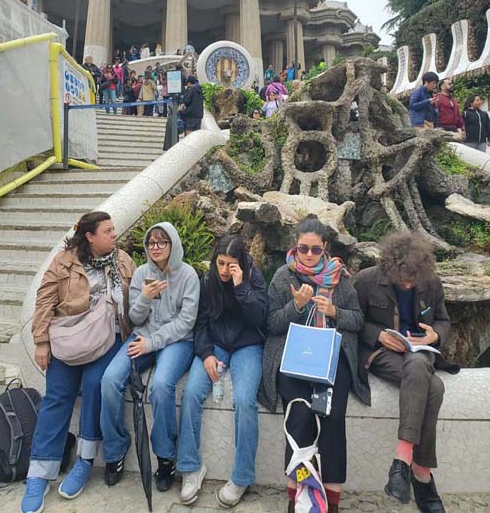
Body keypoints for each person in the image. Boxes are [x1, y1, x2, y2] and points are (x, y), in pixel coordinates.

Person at [20, 212, 136, 513]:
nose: (114, 234)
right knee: (56, 398)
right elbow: (44, 299)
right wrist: (42, 341)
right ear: (90, 236)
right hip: (69, 341)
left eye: (114, 229)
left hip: (109, 339)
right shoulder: (65, 261)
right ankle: (39, 474)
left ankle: (84, 461)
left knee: (95, 385)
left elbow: (135, 300)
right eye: (107, 230)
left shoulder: (121, 260)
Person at [259, 215, 370, 513]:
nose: (309, 255)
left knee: (333, 421)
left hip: (331, 361)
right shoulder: (284, 276)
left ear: (325, 248)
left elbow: (358, 320)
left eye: (315, 250)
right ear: (295, 246)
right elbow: (271, 323)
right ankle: (300, 497)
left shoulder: (340, 278)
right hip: (294, 360)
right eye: (303, 249)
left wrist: (334, 311)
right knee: (300, 418)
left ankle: (330, 501)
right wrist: (295, 306)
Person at [354, 231, 451, 513]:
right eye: (403, 280)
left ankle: (403, 461)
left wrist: (435, 336)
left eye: (413, 281)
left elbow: (444, 320)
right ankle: (421, 473)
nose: (408, 284)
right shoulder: (366, 280)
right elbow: (353, 321)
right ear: (390, 269)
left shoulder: (430, 282)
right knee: (430, 383)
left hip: (420, 353)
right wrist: (378, 335)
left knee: (432, 382)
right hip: (383, 354)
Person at [100, 222, 200, 491]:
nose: (155, 248)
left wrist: (152, 343)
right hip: (142, 336)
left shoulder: (188, 276)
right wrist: (144, 297)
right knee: (109, 380)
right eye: (151, 243)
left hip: (176, 342)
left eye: (161, 242)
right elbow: (134, 318)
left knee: (160, 386)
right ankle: (115, 449)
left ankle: (165, 457)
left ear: (173, 244)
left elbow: (186, 323)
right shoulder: (142, 273)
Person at [177, 235, 267, 507]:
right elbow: (200, 322)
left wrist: (242, 288)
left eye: (231, 264)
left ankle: (241, 476)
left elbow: (261, 319)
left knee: (244, 400)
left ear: (241, 263)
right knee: (191, 392)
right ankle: (191, 467)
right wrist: (205, 354)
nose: (225, 270)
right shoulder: (207, 280)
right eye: (220, 263)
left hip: (247, 345)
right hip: (214, 344)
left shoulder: (254, 278)